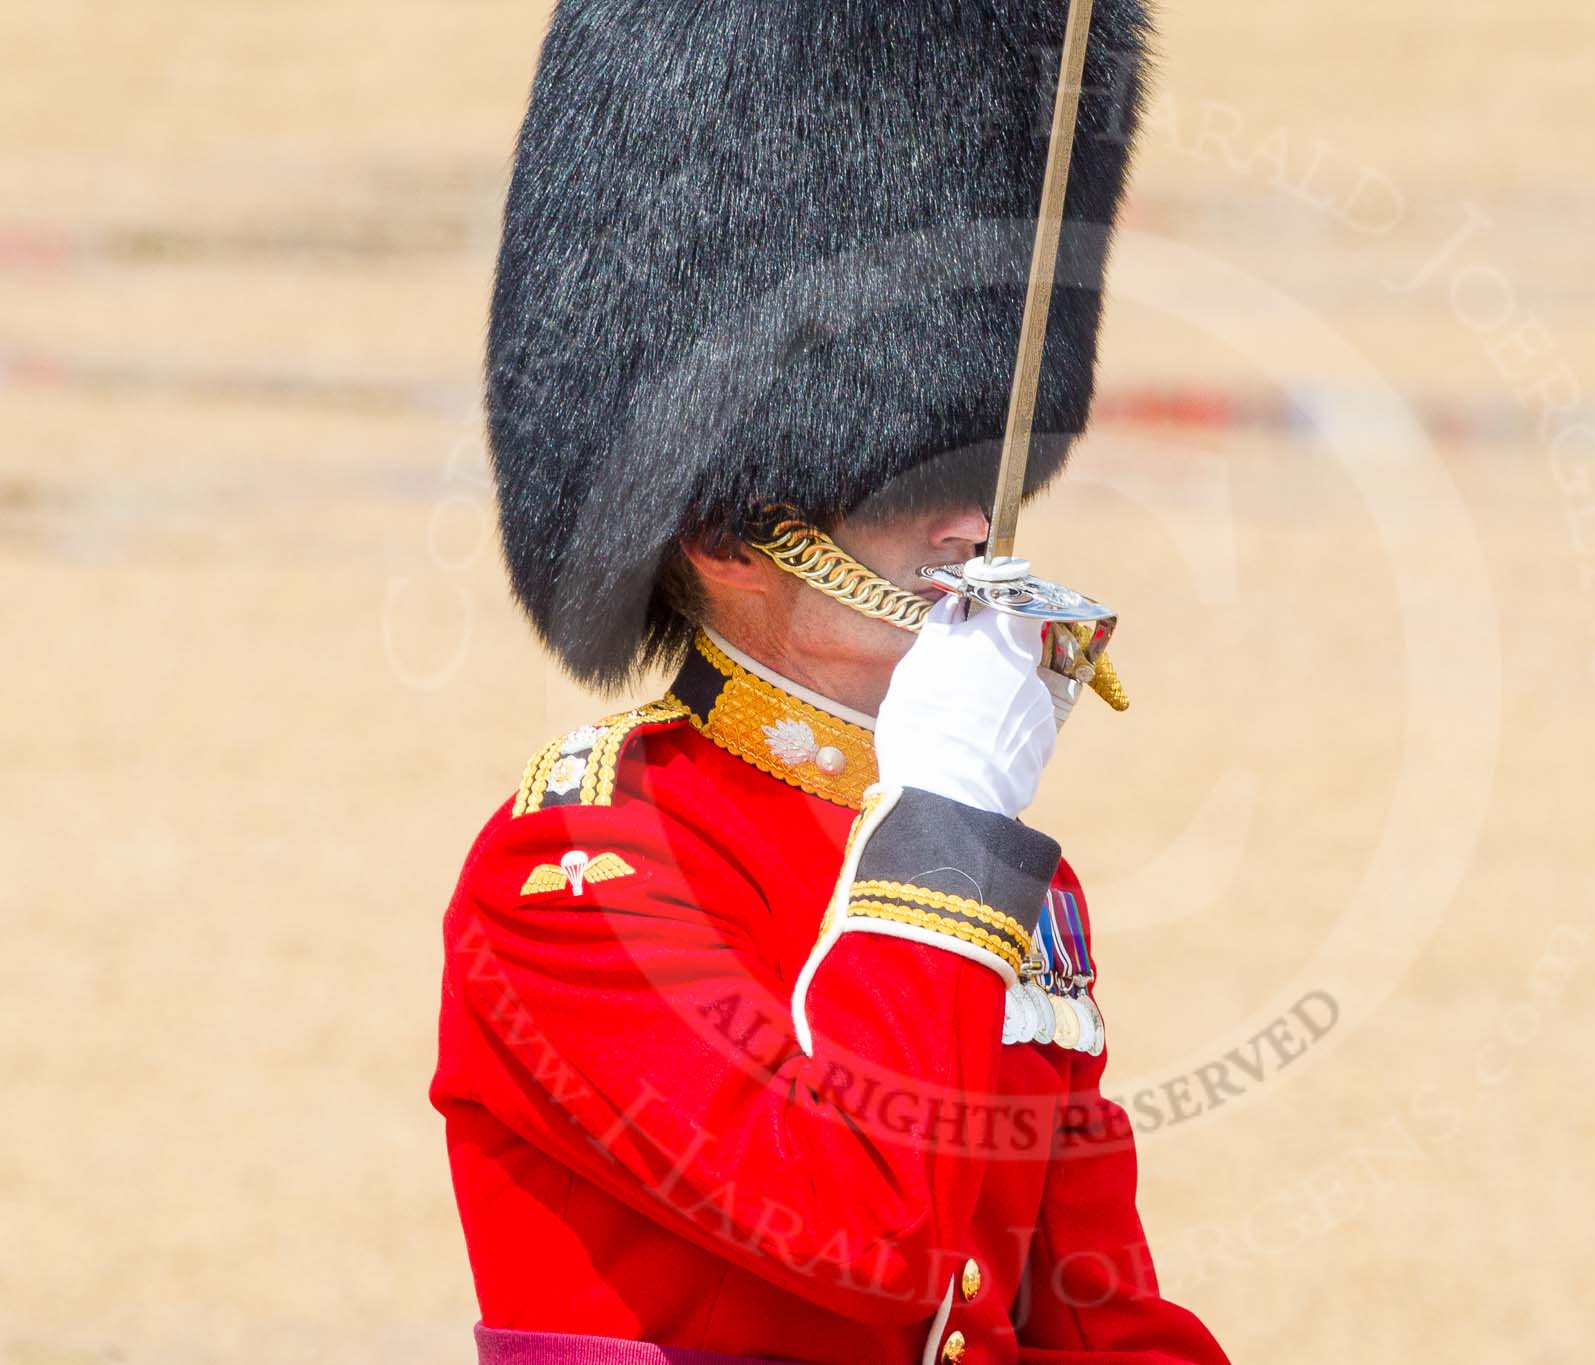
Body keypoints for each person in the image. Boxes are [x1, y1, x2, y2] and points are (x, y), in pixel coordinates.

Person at [429, 0, 1231, 1361]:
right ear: (733, 533)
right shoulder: (574, 870)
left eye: (976, 466)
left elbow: (1096, 1314)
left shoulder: (1000, 869)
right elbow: (862, 1232)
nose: (974, 520)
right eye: (913, 478)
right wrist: (951, 818)